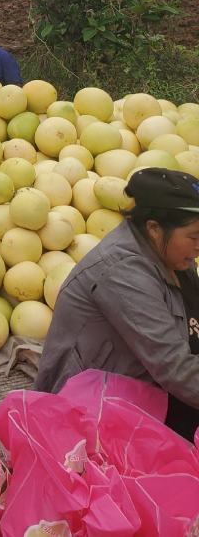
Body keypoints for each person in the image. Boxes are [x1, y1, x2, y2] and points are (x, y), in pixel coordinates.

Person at [36, 168, 199, 442]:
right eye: (194, 237)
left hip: (149, 377)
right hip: (94, 406)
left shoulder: (172, 253)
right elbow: (174, 368)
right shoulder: (123, 272)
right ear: (154, 229)